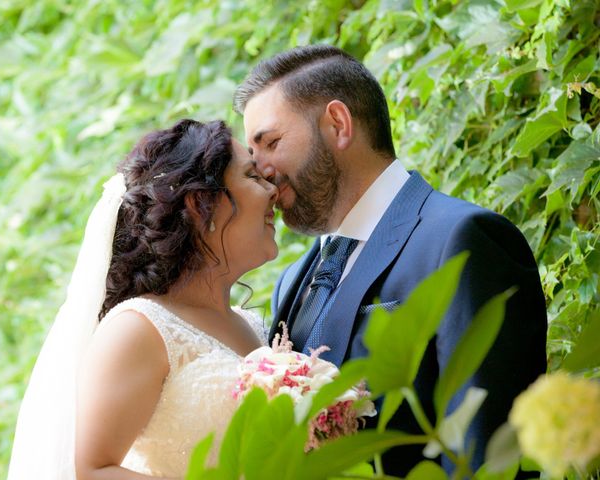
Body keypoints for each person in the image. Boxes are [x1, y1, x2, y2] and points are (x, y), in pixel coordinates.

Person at [233, 44, 547, 475]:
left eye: (270, 142)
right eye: (254, 154)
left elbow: (488, 456)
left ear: (338, 125)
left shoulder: (461, 240)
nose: (261, 171)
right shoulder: (293, 282)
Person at [7, 119, 279, 479]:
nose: (272, 189)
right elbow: (90, 471)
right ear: (201, 204)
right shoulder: (139, 328)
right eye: (253, 177)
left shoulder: (251, 324)